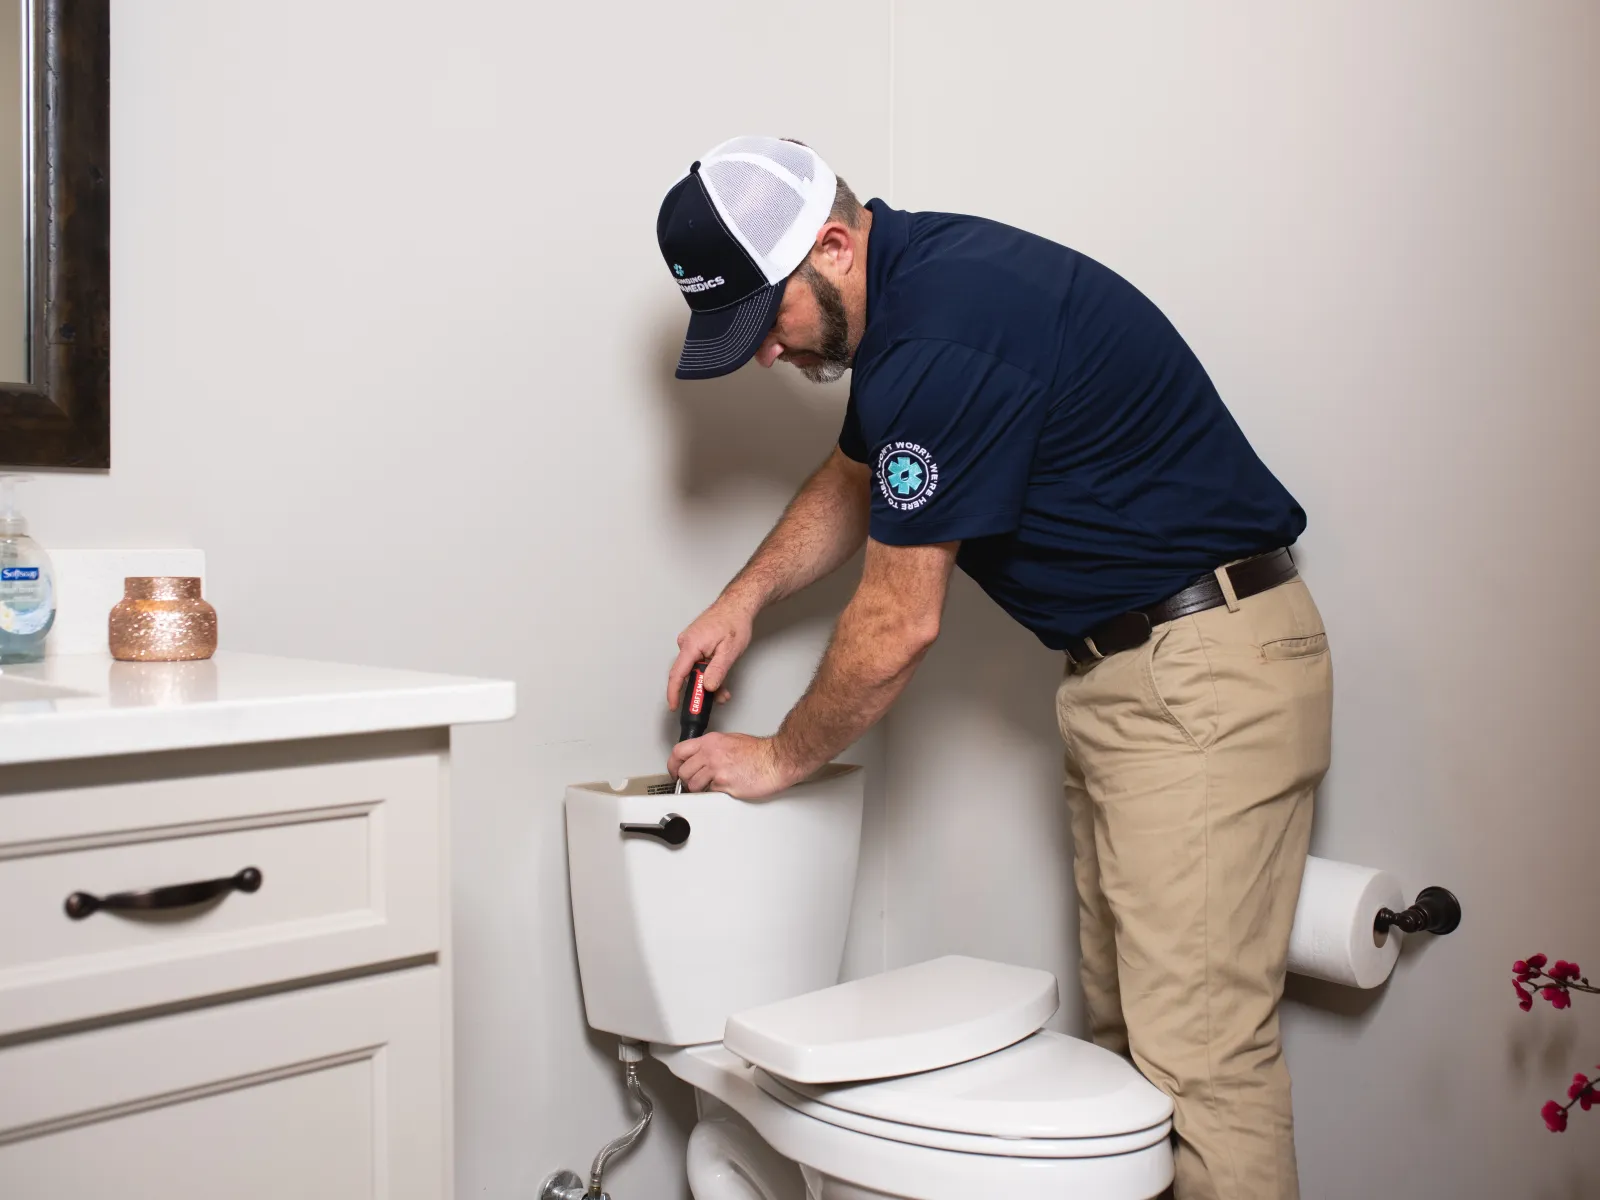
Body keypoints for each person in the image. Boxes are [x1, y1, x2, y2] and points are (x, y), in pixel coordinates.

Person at [655, 134, 1332, 1200]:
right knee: (1132, 1057)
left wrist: (780, 759)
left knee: (1200, 1070)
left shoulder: (944, 336)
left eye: (763, 319)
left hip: (1199, 672)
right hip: (1140, 675)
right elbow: (855, 471)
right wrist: (741, 601)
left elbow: (896, 624)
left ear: (832, 246)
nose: (764, 357)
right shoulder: (914, 293)